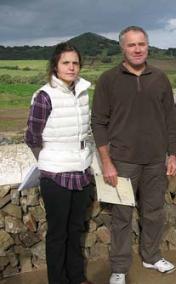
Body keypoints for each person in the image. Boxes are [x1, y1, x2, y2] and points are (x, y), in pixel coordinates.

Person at [91, 26, 176, 284]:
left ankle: (151, 257)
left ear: (148, 46)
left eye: (142, 44)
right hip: (122, 162)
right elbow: (98, 123)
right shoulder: (108, 80)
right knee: (121, 217)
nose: (138, 49)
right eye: (132, 45)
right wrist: (106, 162)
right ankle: (119, 268)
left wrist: (172, 154)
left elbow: (170, 121)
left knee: (154, 212)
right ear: (122, 48)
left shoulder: (160, 78)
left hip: (154, 162)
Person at [25, 42, 93, 284]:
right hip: (55, 176)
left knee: (76, 230)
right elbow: (32, 137)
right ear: (55, 65)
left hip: (81, 172)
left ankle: (77, 277)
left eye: (75, 63)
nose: (71, 67)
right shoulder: (44, 96)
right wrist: (51, 160)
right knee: (57, 234)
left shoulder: (83, 92)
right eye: (66, 62)